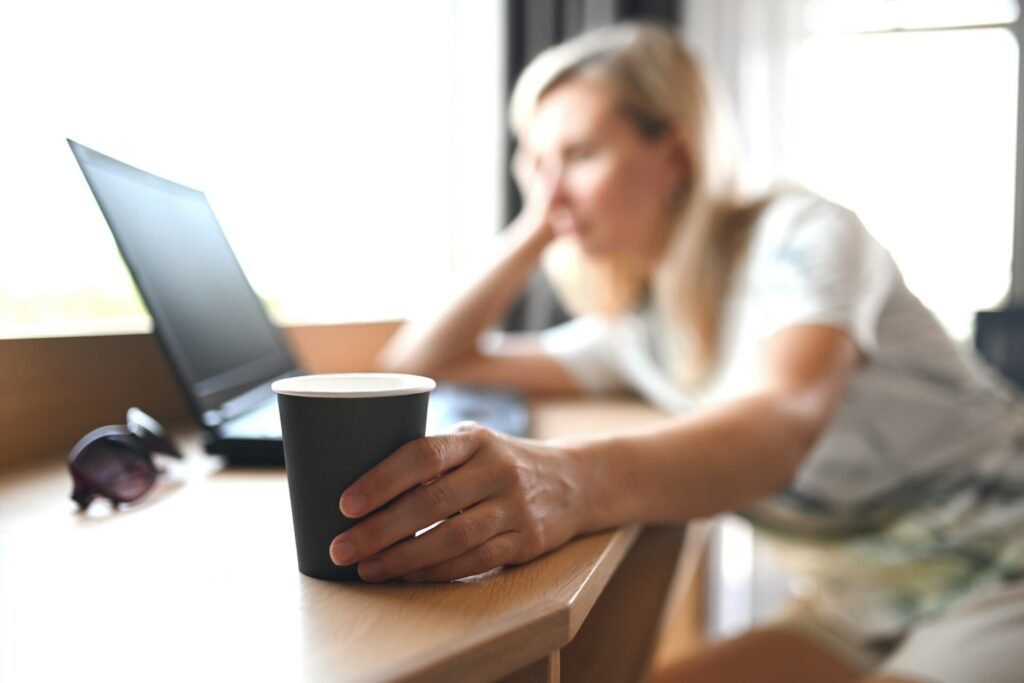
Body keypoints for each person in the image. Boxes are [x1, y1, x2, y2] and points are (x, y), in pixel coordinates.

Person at [326, 22, 1024, 683]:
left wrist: (570, 482)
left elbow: (779, 425)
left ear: (677, 158)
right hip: (860, 599)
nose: (549, 188)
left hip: (1002, 567)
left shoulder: (803, 237)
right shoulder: (639, 327)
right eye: (534, 161)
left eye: (579, 154)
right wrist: (537, 225)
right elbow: (424, 360)